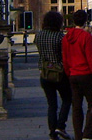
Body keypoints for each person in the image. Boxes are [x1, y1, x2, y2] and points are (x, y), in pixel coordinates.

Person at [62, 9, 92, 140]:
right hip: (86, 74)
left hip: (73, 75)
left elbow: (65, 59)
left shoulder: (66, 37)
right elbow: (91, 60)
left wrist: (69, 74)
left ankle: (78, 135)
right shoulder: (86, 37)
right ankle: (88, 133)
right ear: (85, 21)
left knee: (76, 107)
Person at [36, 10, 72, 140]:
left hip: (44, 73)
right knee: (67, 99)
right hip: (60, 74)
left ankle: (52, 132)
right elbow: (64, 56)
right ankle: (60, 126)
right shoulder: (60, 37)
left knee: (52, 105)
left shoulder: (38, 36)